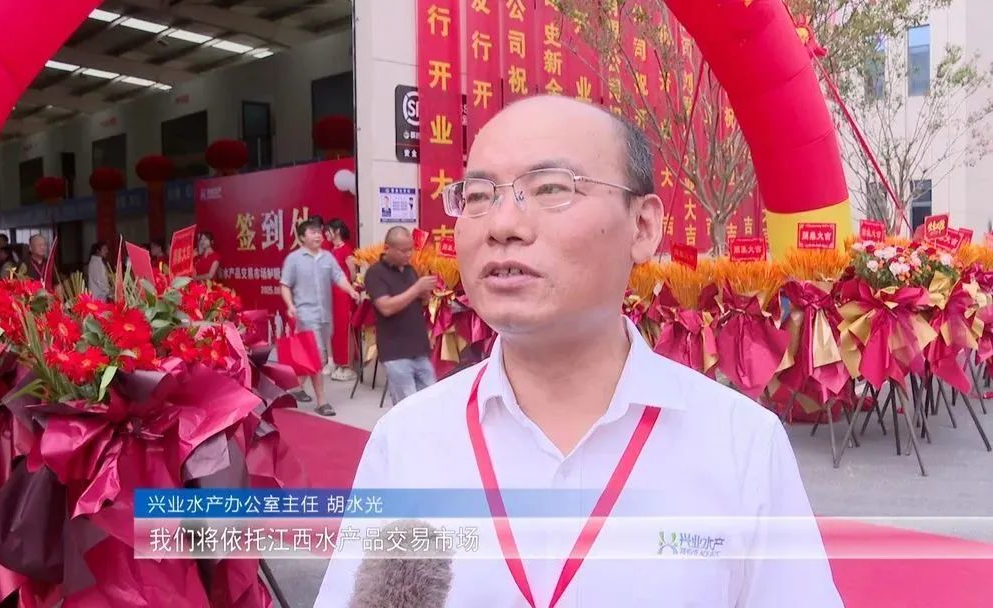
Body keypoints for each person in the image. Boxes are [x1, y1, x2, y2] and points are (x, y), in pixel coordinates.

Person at [316, 96, 842, 607]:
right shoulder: (407, 442)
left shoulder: (740, 445)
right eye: (478, 196)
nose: (502, 225)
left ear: (642, 226)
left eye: (550, 188)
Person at [280, 218, 361, 416]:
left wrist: (351, 290)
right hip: (306, 315)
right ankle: (322, 401)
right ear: (302, 237)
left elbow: (339, 277)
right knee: (317, 356)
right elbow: (285, 285)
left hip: (325, 315)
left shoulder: (327, 257)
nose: (318, 235)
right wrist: (290, 305)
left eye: (319, 232)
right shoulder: (294, 259)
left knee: (313, 357)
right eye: (312, 232)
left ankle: (294, 388)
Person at [363, 226, 436, 404]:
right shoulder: (375, 273)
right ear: (387, 249)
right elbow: (386, 307)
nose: (408, 255)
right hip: (396, 352)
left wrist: (425, 294)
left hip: (419, 348)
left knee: (432, 402)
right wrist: (416, 289)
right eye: (403, 251)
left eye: (411, 249)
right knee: (407, 407)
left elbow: (420, 303)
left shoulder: (410, 270)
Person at [326, 218, 359, 381]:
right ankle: (339, 363)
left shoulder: (346, 249)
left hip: (344, 295)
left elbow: (353, 274)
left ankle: (348, 366)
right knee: (337, 330)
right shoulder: (333, 250)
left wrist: (349, 287)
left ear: (337, 231)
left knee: (345, 329)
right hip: (333, 295)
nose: (326, 234)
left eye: (329, 230)